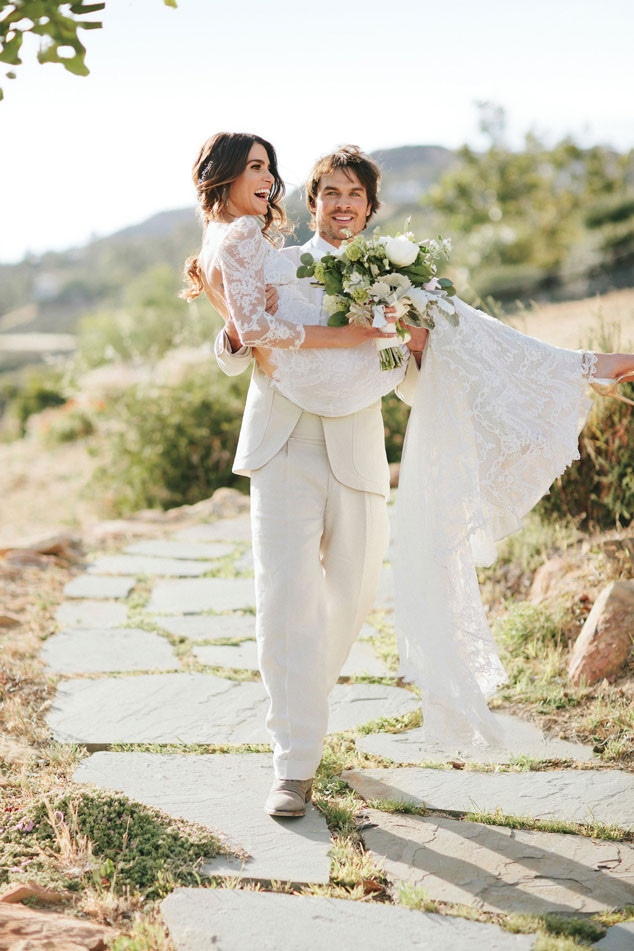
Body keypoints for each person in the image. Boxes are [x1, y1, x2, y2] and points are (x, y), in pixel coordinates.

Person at [183, 133, 427, 817]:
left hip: (358, 448)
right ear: (313, 203)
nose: (343, 204)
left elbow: (409, 374)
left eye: (356, 194)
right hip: (282, 443)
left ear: (371, 209)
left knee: (350, 597)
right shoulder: (273, 261)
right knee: (286, 597)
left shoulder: (399, 283)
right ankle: (293, 760)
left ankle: (303, 712)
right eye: (331, 193)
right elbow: (233, 344)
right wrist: (234, 332)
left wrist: (416, 340)